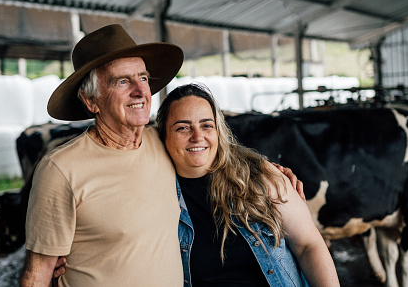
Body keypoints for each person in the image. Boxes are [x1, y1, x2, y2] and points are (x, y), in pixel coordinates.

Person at [22, 24, 303, 287]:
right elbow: (38, 274)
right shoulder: (61, 169)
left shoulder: (161, 140)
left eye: (143, 78)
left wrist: (265, 168)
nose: (140, 91)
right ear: (90, 100)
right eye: (122, 82)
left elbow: (210, 145)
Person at [155, 83, 340, 287]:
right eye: (183, 127)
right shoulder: (155, 191)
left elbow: (308, 246)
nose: (197, 136)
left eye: (207, 125)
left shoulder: (259, 176)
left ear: (218, 131)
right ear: (162, 136)